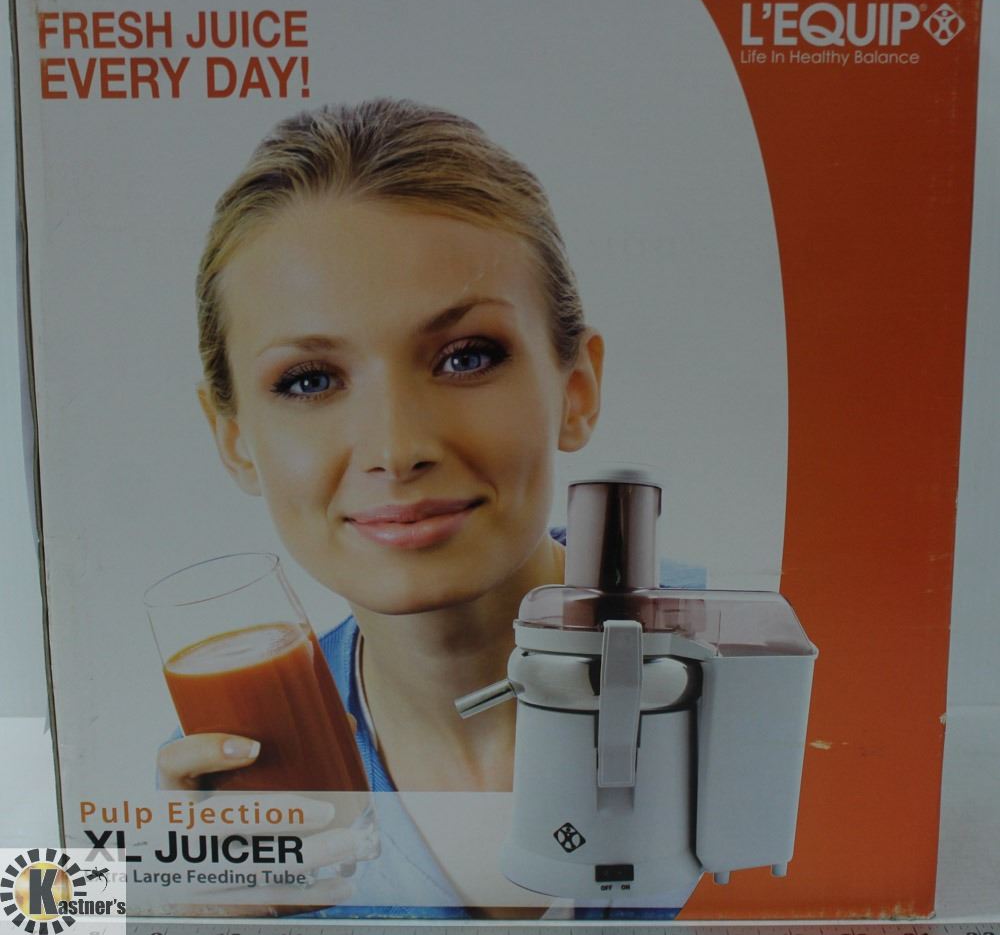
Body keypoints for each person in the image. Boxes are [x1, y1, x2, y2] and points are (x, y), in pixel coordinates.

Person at [157, 99, 687, 919]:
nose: (396, 447)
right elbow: (32, 899)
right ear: (234, 439)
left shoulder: (768, 669)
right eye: (309, 380)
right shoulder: (230, 789)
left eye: (465, 357)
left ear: (576, 390)